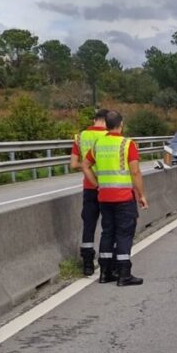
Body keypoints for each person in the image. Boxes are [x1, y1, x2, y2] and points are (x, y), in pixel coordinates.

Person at [83, 110, 149, 286]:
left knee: (108, 233)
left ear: (106, 124)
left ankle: (105, 273)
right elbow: (135, 172)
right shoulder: (127, 144)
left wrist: (96, 184)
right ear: (121, 124)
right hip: (123, 197)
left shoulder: (98, 143)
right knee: (124, 234)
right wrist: (141, 195)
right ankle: (124, 274)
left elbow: (85, 165)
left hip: (104, 197)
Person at [69, 107, 108, 275]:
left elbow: (74, 164)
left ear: (94, 120)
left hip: (89, 188)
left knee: (89, 225)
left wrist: (87, 168)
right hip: (107, 188)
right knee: (109, 226)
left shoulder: (81, 137)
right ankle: (108, 264)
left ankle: (87, 264)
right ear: (107, 122)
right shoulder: (110, 137)